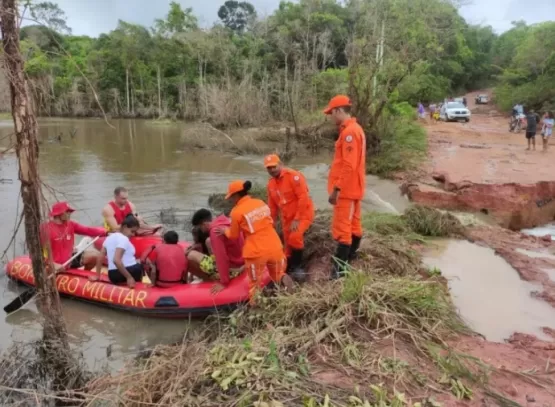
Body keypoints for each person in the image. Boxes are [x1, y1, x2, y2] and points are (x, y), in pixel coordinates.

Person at [215, 180, 293, 304]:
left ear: (236, 195)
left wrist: (225, 231)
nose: (231, 200)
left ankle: (255, 311)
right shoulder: (260, 202)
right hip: (275, 245)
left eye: (231, 197)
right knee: (278, 273)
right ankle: (287, 289)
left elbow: (234, 235)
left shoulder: (236, 212)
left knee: (254, 285)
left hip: (256, 251)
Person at [323, 95, 366, 279]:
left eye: (332, 113)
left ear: (339, 111)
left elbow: (349, 165)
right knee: (354, 225)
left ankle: (339, 270)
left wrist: (337, 189)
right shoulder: (355, 129)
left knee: (343, 229)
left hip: (346, 191)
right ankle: (350, 257)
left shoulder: (349, 133)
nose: (331, 116)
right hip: (354, 188)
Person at [265, 154, 314, 281]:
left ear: (280, 164)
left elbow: (303, 198)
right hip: (286, 218)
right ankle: (288, 268)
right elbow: (272, 207)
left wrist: (297, 219)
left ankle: (298, 267)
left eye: (273, 167)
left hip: (303, 214)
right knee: (286, 247)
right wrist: (270, 223)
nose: (271, 170)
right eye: (268, 168)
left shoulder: (294, 177)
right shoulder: (271, 185)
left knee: (295, 236)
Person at [186, 209, 245, 293]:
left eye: (200, 227)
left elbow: (222, 258)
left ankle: (208, 281)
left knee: (189, 256)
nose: (201, 230)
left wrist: (224, 282)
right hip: (240, 263)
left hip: (232, 270)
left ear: (204, 224)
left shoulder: (215, 232)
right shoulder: (227, 221)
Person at [41, 201, 106, 272]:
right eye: (67, 212)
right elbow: (39, 253)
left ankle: (84, 274)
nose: (69, 214)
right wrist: (52, 264)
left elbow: (87, 230)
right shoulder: (46, 229)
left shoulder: (71, 225)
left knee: (96, 256)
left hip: (70, 259)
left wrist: (104, 232)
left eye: (70, 212)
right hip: (54, 263)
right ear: (58, 214)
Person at [91, 215, 143, 288]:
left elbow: (100, 256)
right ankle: (144, 286)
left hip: (113, 275)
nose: (133, 234)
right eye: (132, 231)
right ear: (125, 227)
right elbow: (116, 260)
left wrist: (97, 275)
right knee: (143, 264)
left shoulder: (109, 238)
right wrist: (129, 277)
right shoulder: (124, 239)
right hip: (129, 271)